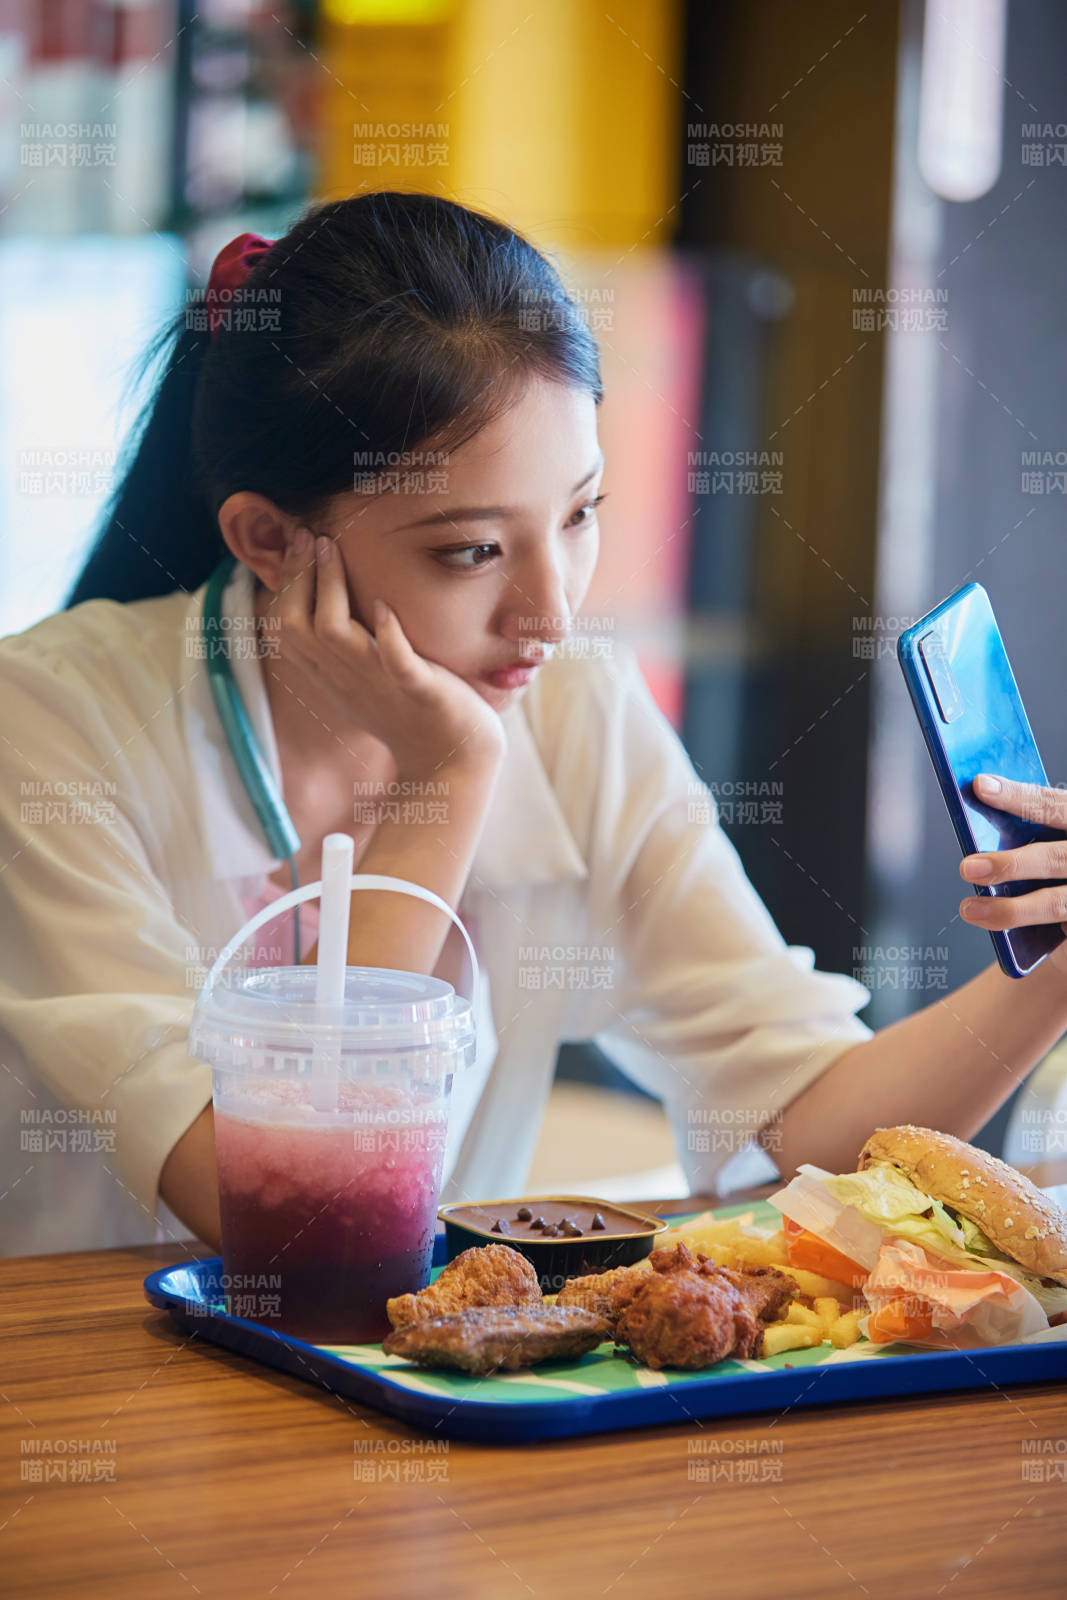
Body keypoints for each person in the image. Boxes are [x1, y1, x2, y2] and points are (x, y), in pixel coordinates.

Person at [3, 191, 1067, 1260]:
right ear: (271, 540)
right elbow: (286, 1222)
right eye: (469, 551)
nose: (549, 614)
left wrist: (1052, 969)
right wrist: (446, 777)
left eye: (579, 512)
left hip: (425, 1395)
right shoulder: (47, 724)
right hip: (96, 1387)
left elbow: (814, 1129)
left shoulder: (574, 710)